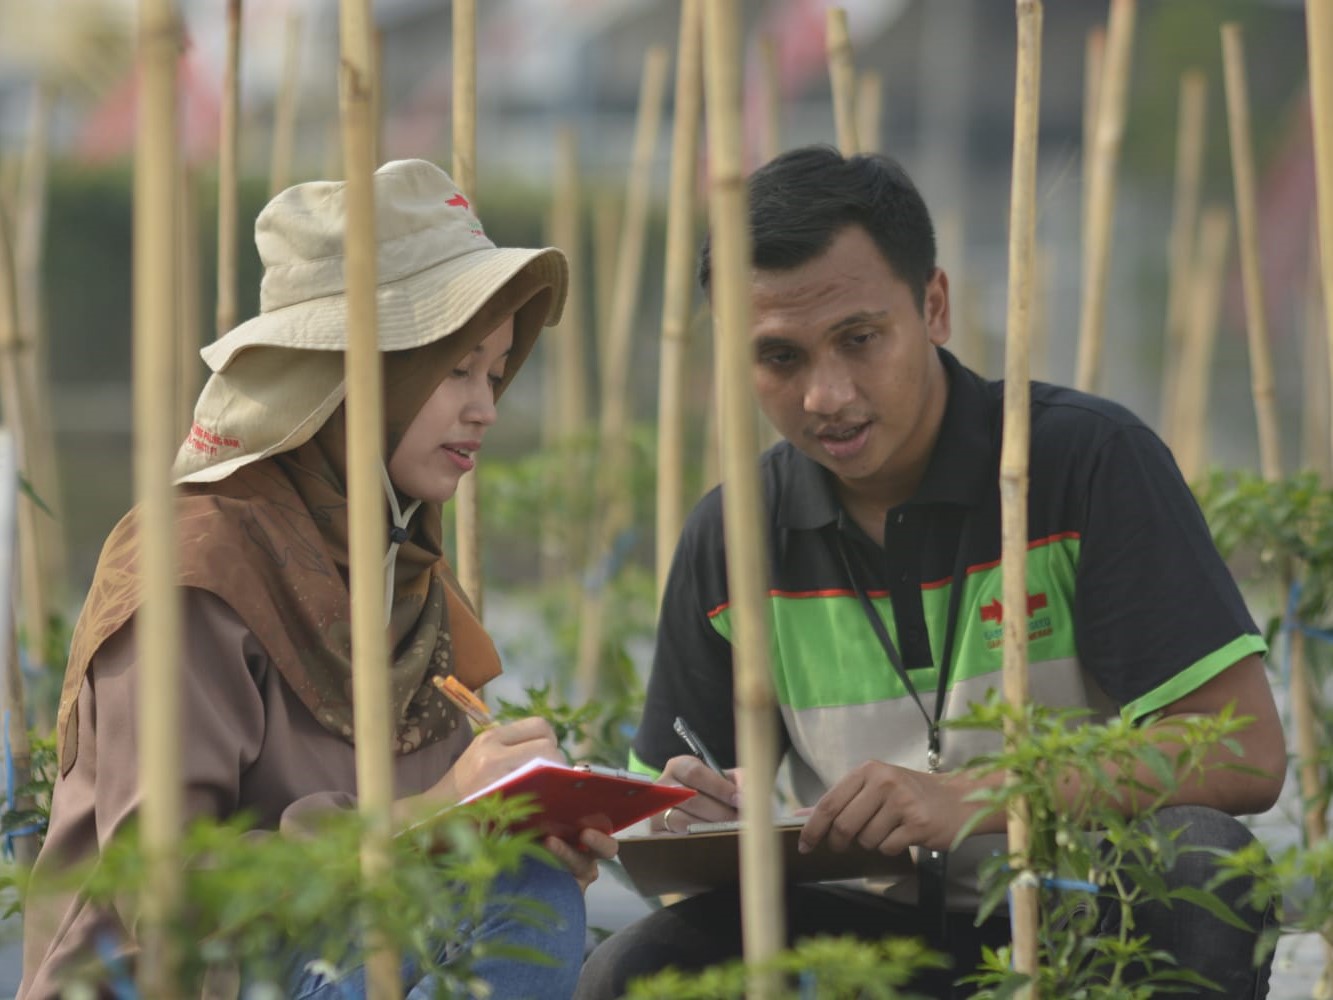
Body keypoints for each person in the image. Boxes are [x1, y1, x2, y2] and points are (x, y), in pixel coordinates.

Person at [575, 145, 1286, 999]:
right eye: (780, 358)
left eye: (858, 339)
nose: (826, 395)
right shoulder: (734, 536)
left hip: (1083, 920)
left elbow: (1244, 748)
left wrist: (982, 797)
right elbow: (667, 824)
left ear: (935, 307)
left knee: (1204, 865)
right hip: (867, 942)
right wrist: (685, 815)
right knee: (634, 969)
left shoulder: (1080, 465)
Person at [20, 158, 618, 1000]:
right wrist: (435, 818)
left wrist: (519, 827)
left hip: (333, 965)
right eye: (454, 369)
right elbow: (171, 896)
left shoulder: (406, 576)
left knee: (541, 894)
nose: (485, 406)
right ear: (355, 375)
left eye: (495, 371)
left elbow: (441, 853)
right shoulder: (195, 568)